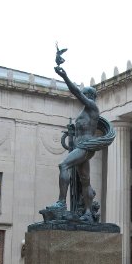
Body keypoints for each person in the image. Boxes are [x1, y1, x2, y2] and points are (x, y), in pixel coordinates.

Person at [49, 62, 100, 222]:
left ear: (89, 96)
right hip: (81, 146)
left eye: (84, 95)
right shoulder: (84, 112)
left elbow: (75, 91)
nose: (81, 97)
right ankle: (87, 213)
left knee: (63, 165)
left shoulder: (92, 106)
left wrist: (64, 76)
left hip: (85, 147)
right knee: (85, 180)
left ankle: (61, 202)